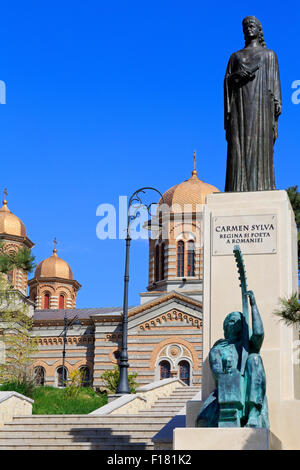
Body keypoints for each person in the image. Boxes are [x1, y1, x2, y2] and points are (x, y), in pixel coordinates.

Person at [224, 16, 282, 192]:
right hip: (239, 107)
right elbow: (226, 81)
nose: (249, 28)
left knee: (261, 145)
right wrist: (236, 76)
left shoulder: (269, 55)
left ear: (259, 30)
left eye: (252, 25)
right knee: (237, 145)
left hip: (262, 107)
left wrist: (277, 103)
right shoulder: (235, 57)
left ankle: (263, 185)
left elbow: (275, 83)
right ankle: (237, 187)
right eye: (246, 26)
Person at [196, 290, 269, 428]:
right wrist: (231, 376)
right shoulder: (218, 349)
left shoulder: (247, 347)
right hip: (227, 389)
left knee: (255, 359)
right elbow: (217, 373)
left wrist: (253, 305)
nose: (235, 323)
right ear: (225, 327)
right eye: (231, 320)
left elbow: (259, 333)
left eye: (238, 321)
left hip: (248, 391)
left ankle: (253, 413)